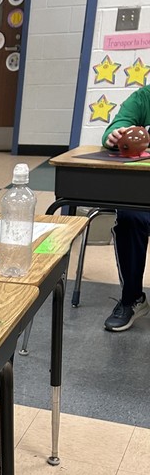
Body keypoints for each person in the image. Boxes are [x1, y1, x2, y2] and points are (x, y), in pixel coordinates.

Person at [101, 84, 150, 332]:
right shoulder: (144, 97)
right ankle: (132, 298)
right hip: (144, 191)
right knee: (130, 217)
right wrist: (113, 136)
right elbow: (118, 125)